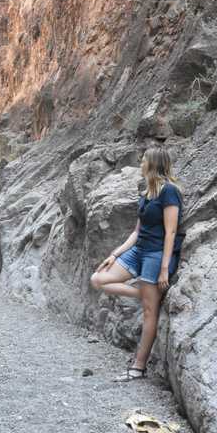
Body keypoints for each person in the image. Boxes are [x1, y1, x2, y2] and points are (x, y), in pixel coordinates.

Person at [89, 146, 184, 381]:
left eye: (143, 160)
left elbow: (171, 232)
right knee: (98, 279)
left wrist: (164, 268)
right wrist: (115, 253)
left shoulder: (170, 192)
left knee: (150, 311)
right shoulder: (146, 194)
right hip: (138, 250)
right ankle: (142, 292)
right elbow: (136, 231)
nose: (140, 164)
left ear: (153, 164)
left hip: (156, 253)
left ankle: (138, 367)